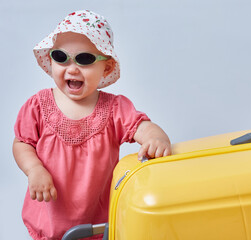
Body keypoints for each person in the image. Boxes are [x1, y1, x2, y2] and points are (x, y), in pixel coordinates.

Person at [12, 10, 171, 240]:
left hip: (99, 226)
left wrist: (156, 139)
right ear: (51, 59)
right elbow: (22, 143)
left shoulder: (115, 109)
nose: (72, 68)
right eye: (61, 56)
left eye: (84, 59)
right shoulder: (38, 105)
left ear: (106, 68)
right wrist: (34, 169)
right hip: (48, 221)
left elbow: (143, 127)